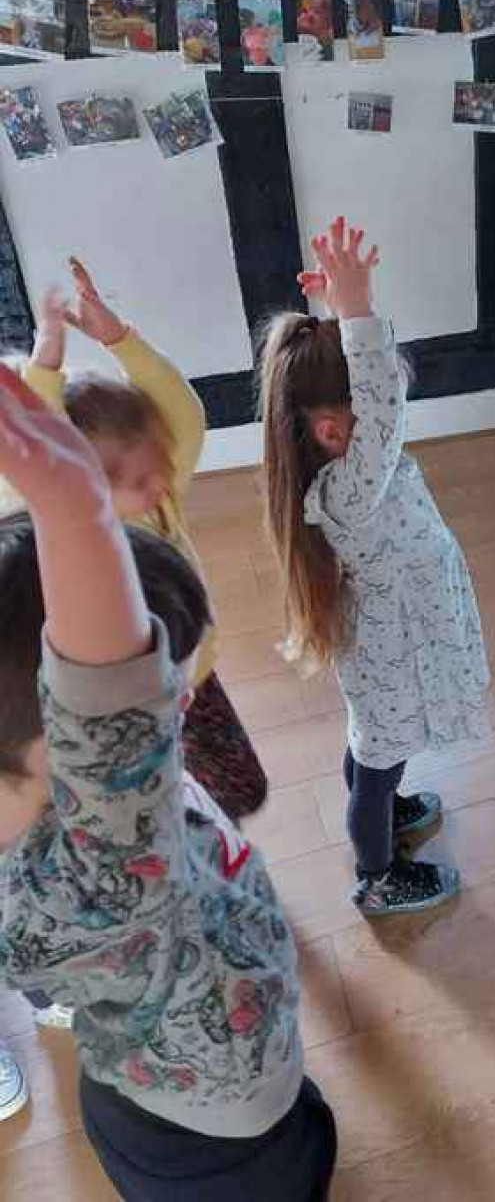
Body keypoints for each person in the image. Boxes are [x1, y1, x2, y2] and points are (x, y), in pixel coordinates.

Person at [0, 364, 336, 1200]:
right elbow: (110, 709)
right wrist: (73, 508)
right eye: (160, 688)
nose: (175, 699)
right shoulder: (94, 870)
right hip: (217, 1134)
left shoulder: (83, 816)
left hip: (178, 1075)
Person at [259, 216, 490, 918]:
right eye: (373, 417)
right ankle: (378, 872)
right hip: (393, 646)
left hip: (394, 640)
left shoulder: (348, 471)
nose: (390, 427)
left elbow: (375, 408)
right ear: (334, 430)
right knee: (377, 761)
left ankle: (385, 809)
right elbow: (383, 411)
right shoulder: (349, 489)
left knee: (377, 750)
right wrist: (357, 312)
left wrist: (338, 315)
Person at [17, 263, 267, 824]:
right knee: (154, 814)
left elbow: (183, 416)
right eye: (135, 477)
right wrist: (47, 364)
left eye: (159, 459)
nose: (160, 481)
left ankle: (208, 837)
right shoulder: (76, 540)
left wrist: (118, 338)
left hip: (194, 682)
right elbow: (42, 452)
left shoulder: (158, 494)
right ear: (81, 481)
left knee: (242, 794)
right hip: (128, 720)